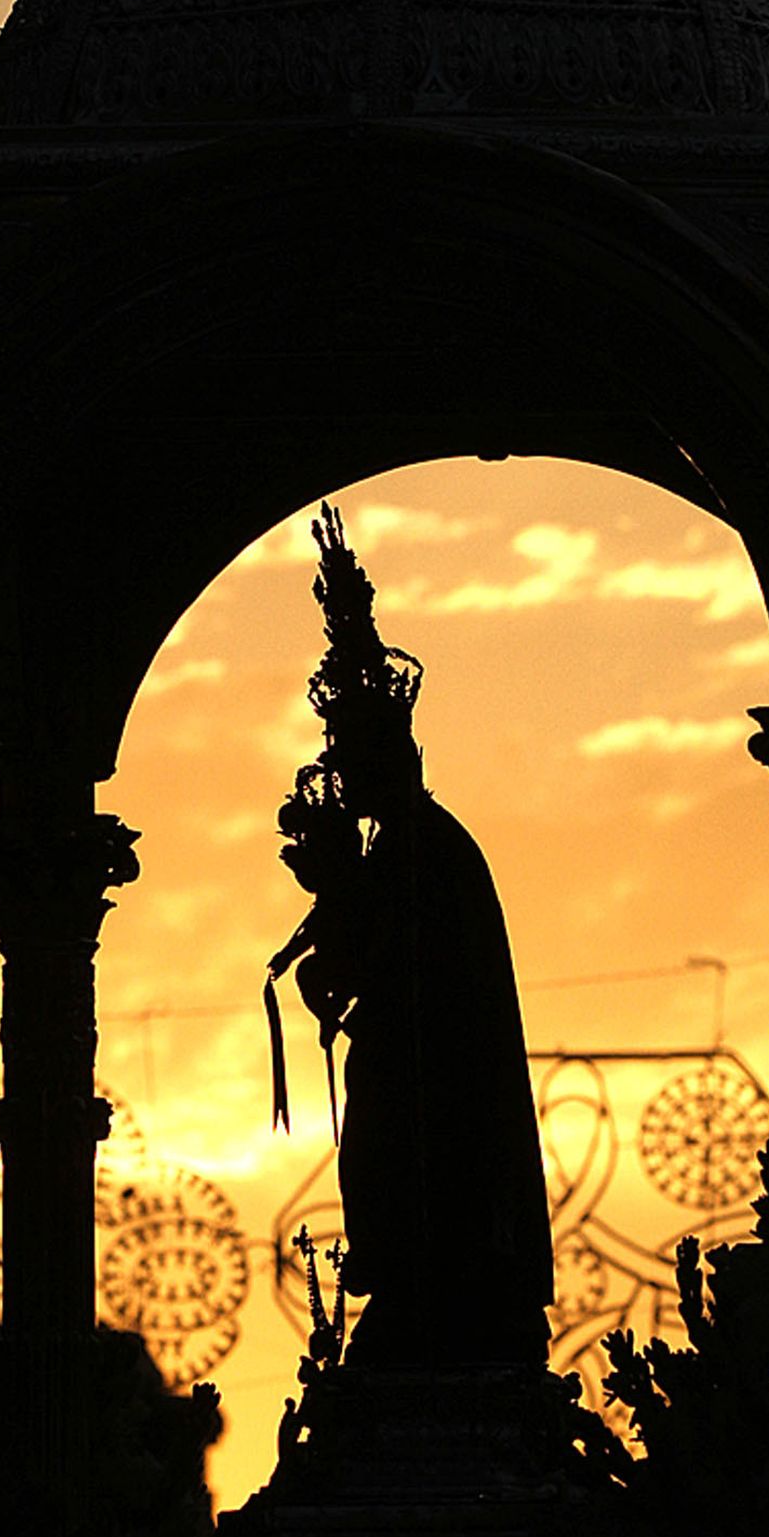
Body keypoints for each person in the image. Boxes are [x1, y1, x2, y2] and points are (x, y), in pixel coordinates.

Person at [267, 507, 553, 1368]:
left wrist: (340, 900)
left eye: (351, 761)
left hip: (437, 1097)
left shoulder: (424, 853)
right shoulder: (412, 849)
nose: (342, 778)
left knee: (418, 1205)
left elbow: (399, 979)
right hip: (406, 1084)